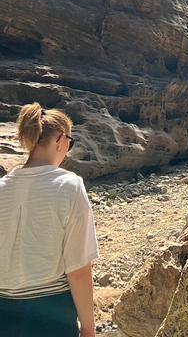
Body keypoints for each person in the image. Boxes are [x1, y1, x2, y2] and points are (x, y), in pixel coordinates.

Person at [0, 103, 99, 337]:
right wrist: (88, 328)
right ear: (60, 140)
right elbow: (79, 269)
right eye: (69, 143)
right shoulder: (69, 186)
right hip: (52, 314)